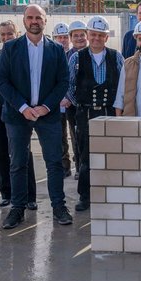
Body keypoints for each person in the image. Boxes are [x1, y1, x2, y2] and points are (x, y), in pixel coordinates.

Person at [0, 5, 72, 230]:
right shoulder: (10, 48)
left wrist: (46, 107)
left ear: (45, 20)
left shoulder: (56, 50)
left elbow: (63, 82)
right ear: (24, 21)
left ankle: (59, 206)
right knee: (18, 162)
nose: (34, 21)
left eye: (38, 17)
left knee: (54, 162)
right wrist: (22, 107)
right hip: (18, 114)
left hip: (47, 115)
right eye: (30, 17)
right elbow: (2, 81)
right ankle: (17, 209)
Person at [67, 16, 124, 211]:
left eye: (101, 35)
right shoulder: (76, 57)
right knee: (85, 156)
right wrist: (80, 105)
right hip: (86, 113)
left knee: (111, 154)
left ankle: (111, 193)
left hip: (109, 111)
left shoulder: (116, 57)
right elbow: (69, 86)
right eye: (93, 34)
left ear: (106, 37)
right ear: (88, 35)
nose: (97, 38)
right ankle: (85, 195)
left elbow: (124, 85)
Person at [0, 20, 37, 210]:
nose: (6, 38)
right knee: (1, 152)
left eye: (10, 34)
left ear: (17, 33)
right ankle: (6, 193)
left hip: (20, 112)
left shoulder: (26, 56)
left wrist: (19, 106)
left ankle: (30, 196)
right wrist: (8, 102)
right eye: (3, 35)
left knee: (23, 152)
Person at [62, 19, 88, 179]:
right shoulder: (65, 57)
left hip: (90, 104)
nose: (79, 38)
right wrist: (69, 98)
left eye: (82, 35)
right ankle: (79, 168)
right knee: (76, 137)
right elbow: (63, 80)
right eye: (76, 35)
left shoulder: (92, 54)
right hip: (72, 105)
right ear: (71, 38)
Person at [52, 22, 73, 177]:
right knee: (59, 136)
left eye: (65, 37)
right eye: (59, 37)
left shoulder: (75, 55)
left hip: (71, 102)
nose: (62, 40)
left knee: (75, 135)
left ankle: (78, 165)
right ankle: (64, 166)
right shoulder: (51, 55)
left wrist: (69, 98)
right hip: (56, 103)